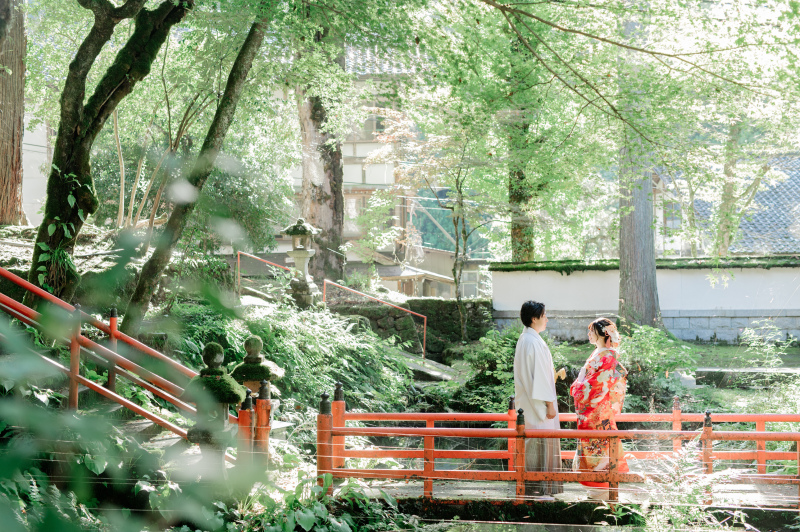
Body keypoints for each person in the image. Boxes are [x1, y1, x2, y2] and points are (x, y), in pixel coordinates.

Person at [569, 317, 629, 499]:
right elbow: (586, 379)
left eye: (592, 331)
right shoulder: (598, 353)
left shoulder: (608, 356)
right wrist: (578, 386)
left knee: (599, 448)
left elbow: (597, 384)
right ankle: (595, 490)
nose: (588, 334)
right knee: (592, 448)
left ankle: (602, 491)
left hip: (597, 411)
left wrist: (578, 388)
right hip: (590, 411)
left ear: (603, 334)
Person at [513, 300, 563, 497]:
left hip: (529, 404)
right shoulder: (532, 342)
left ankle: (533, 489)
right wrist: (550, 405)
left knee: (533, 446)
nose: (547, 319)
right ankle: (539, 491)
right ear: (534, 319)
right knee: (539, 446)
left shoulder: (526, 340)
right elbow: (540, 377)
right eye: (544, 316)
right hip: (538, 407)